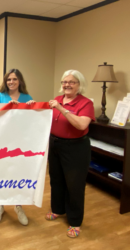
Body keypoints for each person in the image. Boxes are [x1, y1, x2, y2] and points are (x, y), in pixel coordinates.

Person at [47, 70, 95, 238]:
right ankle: (58, 209)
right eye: (64, 81)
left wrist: (61, 108)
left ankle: (74, 221)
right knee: (56, 178)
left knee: (74, 185)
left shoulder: (86, 103)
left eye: (71, 82)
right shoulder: (58, 99)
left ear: (79, 85)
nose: (66, 84)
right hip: (55, 144)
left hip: (75, 148)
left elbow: (81, 125)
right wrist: (32, 105)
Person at [0, 68, 35, 226]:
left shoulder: (27, 97)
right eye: (9, 79)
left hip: (19, 143)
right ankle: (0, 204)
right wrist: (7, 107)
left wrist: (32, 108)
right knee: (2, 173)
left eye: (14, 79)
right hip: (2, 142)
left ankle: (18, 205)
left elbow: (31, 123)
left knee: (18, 173)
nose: (11, 82)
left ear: (20, 81)